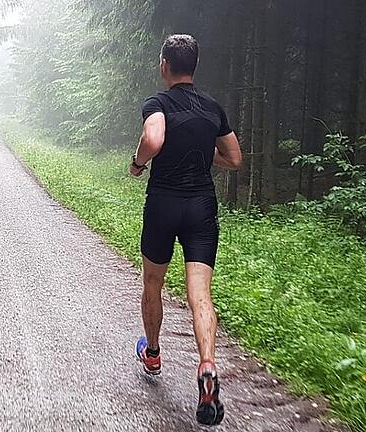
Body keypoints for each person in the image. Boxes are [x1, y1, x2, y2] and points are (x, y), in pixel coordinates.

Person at [130, 34, 242, 426]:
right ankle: (207, 366)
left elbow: (155, 137)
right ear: (194, 66)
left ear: (165, 65)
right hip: (201, 209)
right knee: (200, 295)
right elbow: (234, 157)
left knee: (153, 283)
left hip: (163, 205)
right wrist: (200, 149)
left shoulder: (157, 103)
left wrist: (139, 163)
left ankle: (154, 353)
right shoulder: (213, 108)